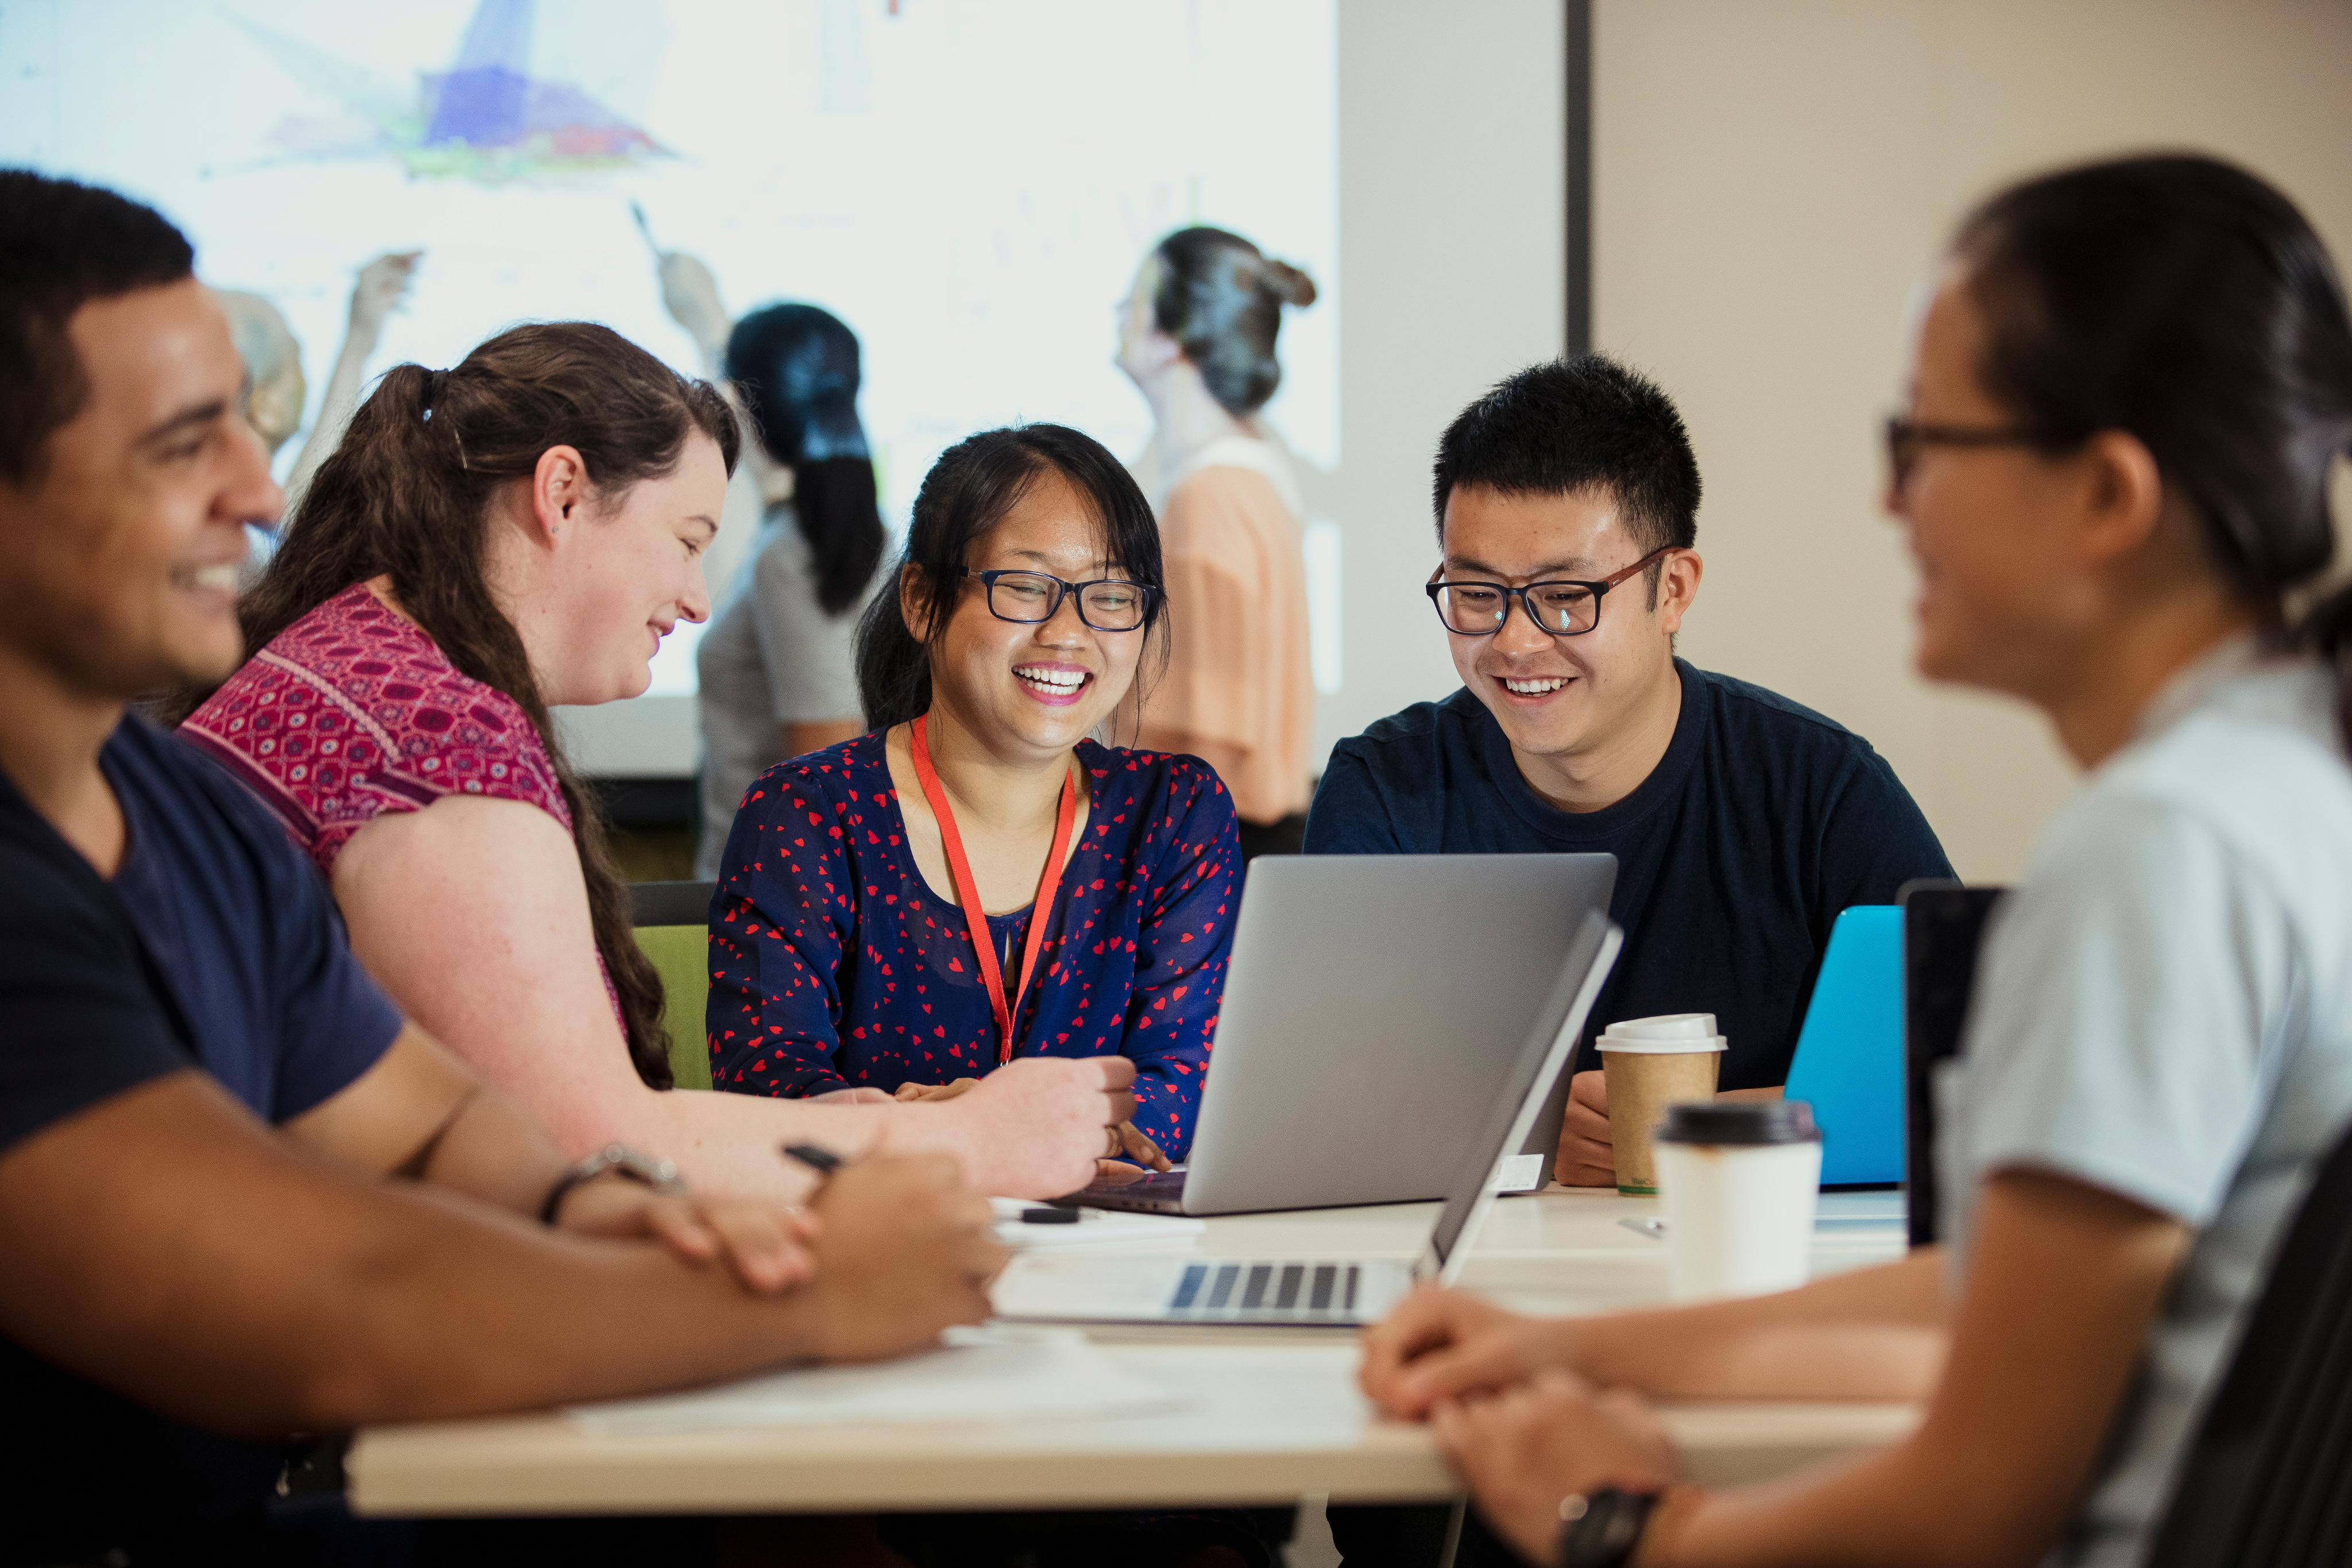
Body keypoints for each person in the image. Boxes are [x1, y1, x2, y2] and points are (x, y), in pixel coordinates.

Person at [1356, 153, 2352, 1568]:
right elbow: (1995, 1301)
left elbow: (1979, 1496)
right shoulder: (2290, 786)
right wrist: (1575, 1345)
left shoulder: (2162, 852)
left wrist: (1622, 1524)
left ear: (2109, 495)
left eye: (1924, 447)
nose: (1892, 506)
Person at [0, 167, 1006, 1564]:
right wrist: (807, 1297)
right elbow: (323, 1300)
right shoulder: (405, 729)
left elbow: (433, 1125)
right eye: (184, 446)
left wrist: (593, 1209)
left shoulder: (181, 811)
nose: (253, 487)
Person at [177, 322, 1131, 1205]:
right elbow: (589, 1146)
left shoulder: (353, 658)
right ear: (562, 494)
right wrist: (968, 1142)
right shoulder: (434, 743)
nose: (693, 598)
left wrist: (813, 1133)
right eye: (687, 544)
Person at [1303, 354, 1952, 1185]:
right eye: (1475, 592)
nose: (1514, 641)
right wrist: (1522, 1142)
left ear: (1673, 588)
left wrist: (1704, 1130)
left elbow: (1970, 1069)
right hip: (1477, 1274)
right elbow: (1327, 1105)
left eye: (1566, 594)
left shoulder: (1820, 790)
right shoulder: (1386, 791)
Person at [707, 423, 1238, 1167]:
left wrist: (939, 1123)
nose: (1070, 631)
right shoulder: (807, 814)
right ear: (923, 600)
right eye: (1026, 586)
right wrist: (984, 1133)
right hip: (877, 1250)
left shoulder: (1175, 814)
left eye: (1111, 594)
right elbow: (772, 1098)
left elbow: (1181, 1092)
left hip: (1112, 1260)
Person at [1121, 226, 1320, 861]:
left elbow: (1208, 738)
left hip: (1208, 854)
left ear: (1171, 336)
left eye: (1131, 300)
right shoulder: (1243, 468)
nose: (1117, 315)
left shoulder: (1209, 496)